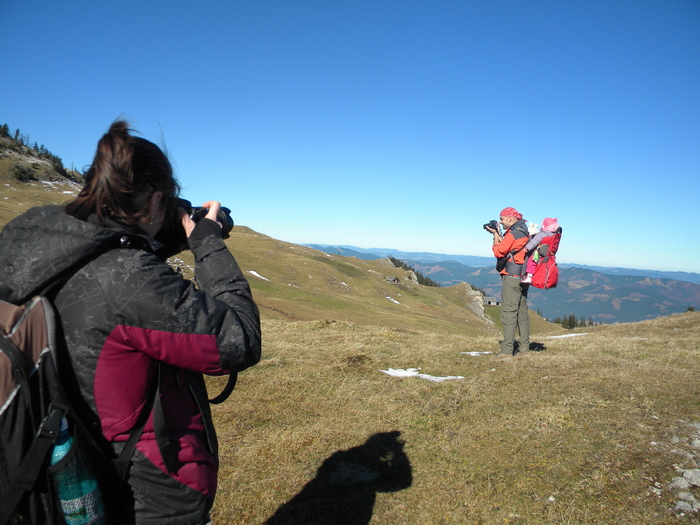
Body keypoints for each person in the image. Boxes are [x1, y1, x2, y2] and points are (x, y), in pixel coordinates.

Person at [0, 121, 261, 524]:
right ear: (156, 200)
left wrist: (164, 233)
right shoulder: (127, 280)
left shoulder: (42, 241)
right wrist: (207, 240)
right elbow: (239, 340)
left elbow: (108, 261)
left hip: (71, 456)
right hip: (146, 489)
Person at [485, 207, 530, 358]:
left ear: (510, 219)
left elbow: (499, 252)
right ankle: (524, 349)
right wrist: (498, 233)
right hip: (523, 276)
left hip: (512, 278)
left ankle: (506, 352)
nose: (501, 222)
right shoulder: (523, 230)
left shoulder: (513, 233)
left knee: (509, 313)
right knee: (521, 313)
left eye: (502, 219)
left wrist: (495, 236)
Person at [521, 217, 561, 284]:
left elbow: (534, 241)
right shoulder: (554, 236)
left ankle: (529, 277)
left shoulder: (542, 234)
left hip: (538, 254)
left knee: (531, 262)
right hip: (547, 254)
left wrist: (527, 248)